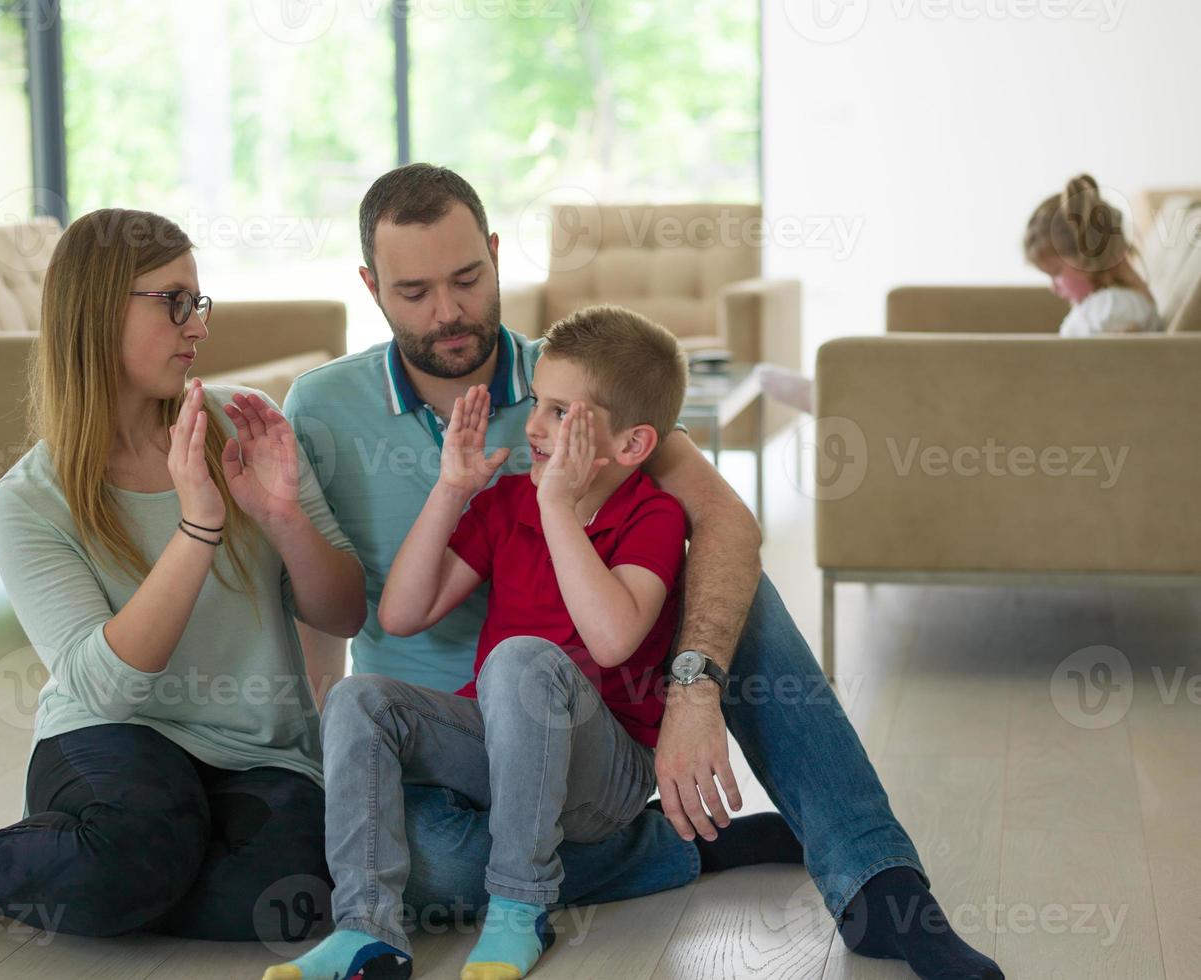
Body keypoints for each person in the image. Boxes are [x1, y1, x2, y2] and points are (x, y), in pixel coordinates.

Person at [280, 164, 1003, 979]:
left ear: (493, 253)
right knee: (439, 870)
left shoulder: (571, 380)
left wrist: (693, 691)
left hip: (593, 720)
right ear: (371, 285)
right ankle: (667, 847)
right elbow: (325, 605)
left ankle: (876, 876)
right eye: (413, 292)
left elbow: (725, 520)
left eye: (467, 279)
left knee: (729, 586)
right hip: (450, 750)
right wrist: (312, 746)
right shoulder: (318, 408)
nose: (447, 312)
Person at [0, 209, 368, 940]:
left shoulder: (247, 426)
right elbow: (108, 687)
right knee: (142, 839)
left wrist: (283, 519)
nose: (197, 326)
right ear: (97, 310)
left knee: (292, 900)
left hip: (259, 752)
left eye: (198, 302)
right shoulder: (29, 501)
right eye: (173, 302)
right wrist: (197, 527)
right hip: (112, 739)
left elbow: (343, 614)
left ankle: (44, 857)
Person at [268, 308, 691, 980]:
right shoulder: (506, 503)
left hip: (604, 770)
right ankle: (366, 928)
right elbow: (403, 613)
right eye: (535, 404)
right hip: (501, 752)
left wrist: (557, 508)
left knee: (520, 658)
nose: (532, 426)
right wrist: (452, 488)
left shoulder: (653, 514)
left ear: (632, 444)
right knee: (356, 699)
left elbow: (611, 640)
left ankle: (519, 908)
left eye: (560, 413)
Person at [1024, 173, 1165, 335]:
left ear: (1088, 257)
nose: (1054, 288)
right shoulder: (1111, 306)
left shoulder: (1114, 308)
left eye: (1056, 273)